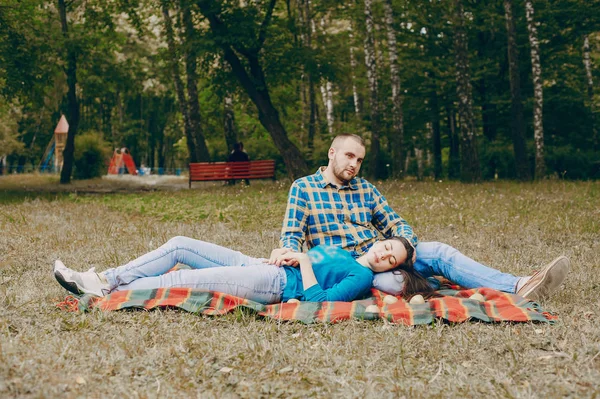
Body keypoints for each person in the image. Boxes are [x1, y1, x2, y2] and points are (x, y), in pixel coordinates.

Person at [268, 134, 569, 301]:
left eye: (359, 159)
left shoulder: (365, 189)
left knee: (437, 251)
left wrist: (402, 249)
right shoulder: (304, 187)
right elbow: (292, 235)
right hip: (348, 269)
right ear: (332, 152)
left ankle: (520, 285)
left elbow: (397, 224)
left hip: (384, 255)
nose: (354, 164)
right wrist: (287, 253)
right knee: (394, 285)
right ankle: (420, 285)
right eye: (349, 156)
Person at [53, 235, 431, 304]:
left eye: (392, 258)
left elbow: (321, 302)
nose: (384, 255)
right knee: (181, 244)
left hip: (274, 285)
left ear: (393, 267)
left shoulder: (363, 277)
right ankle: (106, 279)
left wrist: (301, 263)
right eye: (386, 246)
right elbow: (302, 257)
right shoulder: (345, 252)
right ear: (378, 242)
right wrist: (286, 252)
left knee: (181, 279)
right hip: (262, 264)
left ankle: (106, 288)